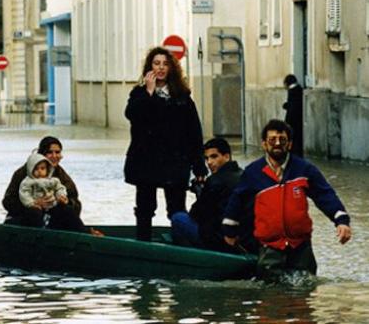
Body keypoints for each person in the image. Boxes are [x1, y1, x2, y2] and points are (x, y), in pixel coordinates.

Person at [222, 119, 352, 279]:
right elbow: (237, 201)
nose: (277, 143)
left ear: (289, 144)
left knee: (304, 293)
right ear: (264, 144)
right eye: (272, 140)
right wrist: (229, 230)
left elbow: (325, 195)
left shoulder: (304, 169)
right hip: (269, 247)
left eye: (282, 140)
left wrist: (342, 221)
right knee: (271, 297)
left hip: (301, 247)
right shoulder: (253, 172)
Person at [124, 47, 207, 241]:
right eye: (156, 63)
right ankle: (143, 244)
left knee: (177, 208)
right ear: (149, 67)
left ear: (171, 67)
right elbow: (132, 115)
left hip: (175, 161)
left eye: (165, 64)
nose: (160, 68)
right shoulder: (139, 93)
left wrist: (199, 165)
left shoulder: (182, 97)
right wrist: (149, 92)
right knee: (145, 207)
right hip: (146, 161)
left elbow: (194, 133)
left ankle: (180, 244)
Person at [170, 138, 255, 253]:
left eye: (214, 157)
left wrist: (201, 192)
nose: (209, 162)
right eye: (207, 158)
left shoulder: (215, 181)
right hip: (241, 239)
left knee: (178, 218)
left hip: (219, 240)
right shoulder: (243, 175)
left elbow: (195, 214)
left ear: (226, 156)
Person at [2, 136, 84, 230]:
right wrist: (34, 204)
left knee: (67, 211)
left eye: (57, 152)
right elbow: (7, 202)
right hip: (26, 218)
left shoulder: (61, 176)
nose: (54, 156)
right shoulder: (23, 174)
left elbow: (76, 202)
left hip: (51, 219)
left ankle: (87, 233)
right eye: (49, 152)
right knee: (34, 213)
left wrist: (64, 201)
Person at [283, 74, 304, 157]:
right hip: (299, 120)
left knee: (293, 141)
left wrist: (286, 123)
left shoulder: (292, 91)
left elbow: (292, 108)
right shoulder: (299, 90)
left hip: (293, 121)